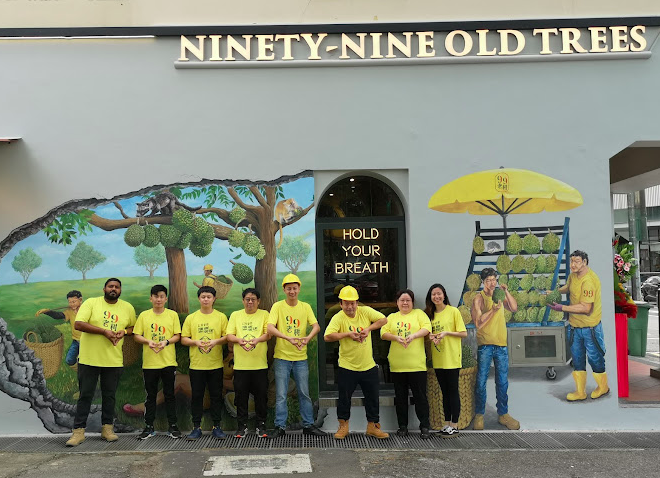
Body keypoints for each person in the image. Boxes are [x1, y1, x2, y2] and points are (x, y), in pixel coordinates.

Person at [66, 278, 136, 447]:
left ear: (120, 290)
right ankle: (78, 432)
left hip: (113, 360)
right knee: (85, 395)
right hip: (89, 359)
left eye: (117, 287)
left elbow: (134, 328)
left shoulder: (127, 307)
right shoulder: (91, 303)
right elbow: (79, 324)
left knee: (109, 396)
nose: (114, 289)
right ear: (104, 289)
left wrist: (124, 332)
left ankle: (107, 429)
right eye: (110, 286)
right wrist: (104, 331)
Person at [324, 285, 389, 440]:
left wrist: (368, 329)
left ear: (357, 303)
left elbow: (384, 319)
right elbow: (327, 336)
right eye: (346, 303)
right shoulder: (338, 317)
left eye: (352, 303)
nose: (350, 307)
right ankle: (343, 426)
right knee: (344, 398)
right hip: (347, 366)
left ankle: (373, 426)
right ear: (341, 304)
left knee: (372, 398)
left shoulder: (365, 311)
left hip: (368, 365)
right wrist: (347, 334)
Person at [267, 274, 326, 438]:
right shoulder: (278, 306)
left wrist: (307, 338)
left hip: (300, 358)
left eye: (294, 288)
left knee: (304, 393)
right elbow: (270, 327)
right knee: (281, 394)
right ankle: (280, 426)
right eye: (289, 288)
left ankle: (308, 425)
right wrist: (287, 338)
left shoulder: (305, 307)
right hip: (282, 357)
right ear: (284, 290)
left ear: (299, 289)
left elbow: (316, 326)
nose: (292, 291)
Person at [549, 250, 607, 401]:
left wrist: (562, 307)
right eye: (571, 261)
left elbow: (586, 308)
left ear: (584, 262)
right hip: (575, 327)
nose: (572, 265)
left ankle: (603, 387)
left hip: (590, 329)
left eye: (576, 261)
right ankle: (580, 392)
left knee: (595, 359)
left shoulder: (589, 281)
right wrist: (554, 292)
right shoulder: (573, 276)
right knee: (577, 359)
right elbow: (568, 287)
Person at [471, 268, 520, 431]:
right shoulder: (479, 298)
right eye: (488, 280)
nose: (492, 283)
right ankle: (479, 415)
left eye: (494, 280)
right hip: (485, 345)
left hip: (501, 345)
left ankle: (503, 414)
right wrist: (493, 310)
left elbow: (514, 308)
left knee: (502, 381)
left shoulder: (499, 295)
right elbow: (478, 323)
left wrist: (506, 292)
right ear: (483, 282)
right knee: (481, 381)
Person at [132, 284, 182, 440]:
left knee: (169, 394)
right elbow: (136, 335)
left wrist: (166, 342)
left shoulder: (172, 315)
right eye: (155, 296)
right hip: (150, 363)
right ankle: (149, 426)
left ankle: (173, 426)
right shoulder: (144, 316)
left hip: (168, 362)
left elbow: (177, 336)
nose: (158, 299)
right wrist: (148, 342)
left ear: (166, 299)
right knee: (150, 396)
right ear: (151, 298)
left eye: (161, 296)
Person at [380, 289, 432, 438]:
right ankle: (402, 426)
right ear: (397, 302)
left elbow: (427, 328)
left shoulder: (419, 314)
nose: (405, 303)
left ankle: (424, 426)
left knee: (420, 397)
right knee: (400, 398)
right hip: (397, 365)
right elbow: (383, 333)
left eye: (408, 300)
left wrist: (414, 336)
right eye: (402, 300)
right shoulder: (392, 317)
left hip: (417, 365)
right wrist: (396, 338)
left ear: (412, 302)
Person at [181, 285, 228, 440]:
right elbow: (184, 339)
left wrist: (216, 341)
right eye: (203, 297)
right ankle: (196, 427)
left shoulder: (221, 317)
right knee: (197, 396)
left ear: (214, 299)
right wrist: (195, 342)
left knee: (216, 396)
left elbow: (227, 337)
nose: (206, 299)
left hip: (216, 364)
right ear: (199, 299)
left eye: (209, 297)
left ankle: (217, 426)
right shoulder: (191, 318)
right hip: (197, 365)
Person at [226, 288, 270, 438]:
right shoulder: (235, 315)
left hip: (260, 365)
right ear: (243, 301)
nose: (250, 302)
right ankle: (241, 426)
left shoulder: (264, 314)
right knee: (240, 397)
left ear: (259, 301)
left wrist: (257, 340)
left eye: (253, 299)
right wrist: (239, 340)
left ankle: (261, 425)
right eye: (247, 299)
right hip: (241, 365)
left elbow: (268, 334)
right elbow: (229, 335)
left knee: (261, 397)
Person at [425, 283, 467, 438]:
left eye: (439, 293)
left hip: (452, 358)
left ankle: (454, 425)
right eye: (433, 294)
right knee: (444, 392)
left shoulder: (453, 311)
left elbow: (463, 333)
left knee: (453, 391)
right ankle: (446, 424)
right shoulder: (430, 315)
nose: (436, 296)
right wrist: (432, 337)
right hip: (438, 359)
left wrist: (447, 333)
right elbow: (428, 335)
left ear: (444, 295)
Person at [35, 290, 83, 367]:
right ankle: (78, 370)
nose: (71, 304)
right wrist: (47, 311)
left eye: (74, 302)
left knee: (86, 360)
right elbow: (58, 315)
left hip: (87, 341)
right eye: (69, 302)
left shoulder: (86, 309)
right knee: (69, 360)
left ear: (80, 300)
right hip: (76, 340)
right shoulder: (69, 311)